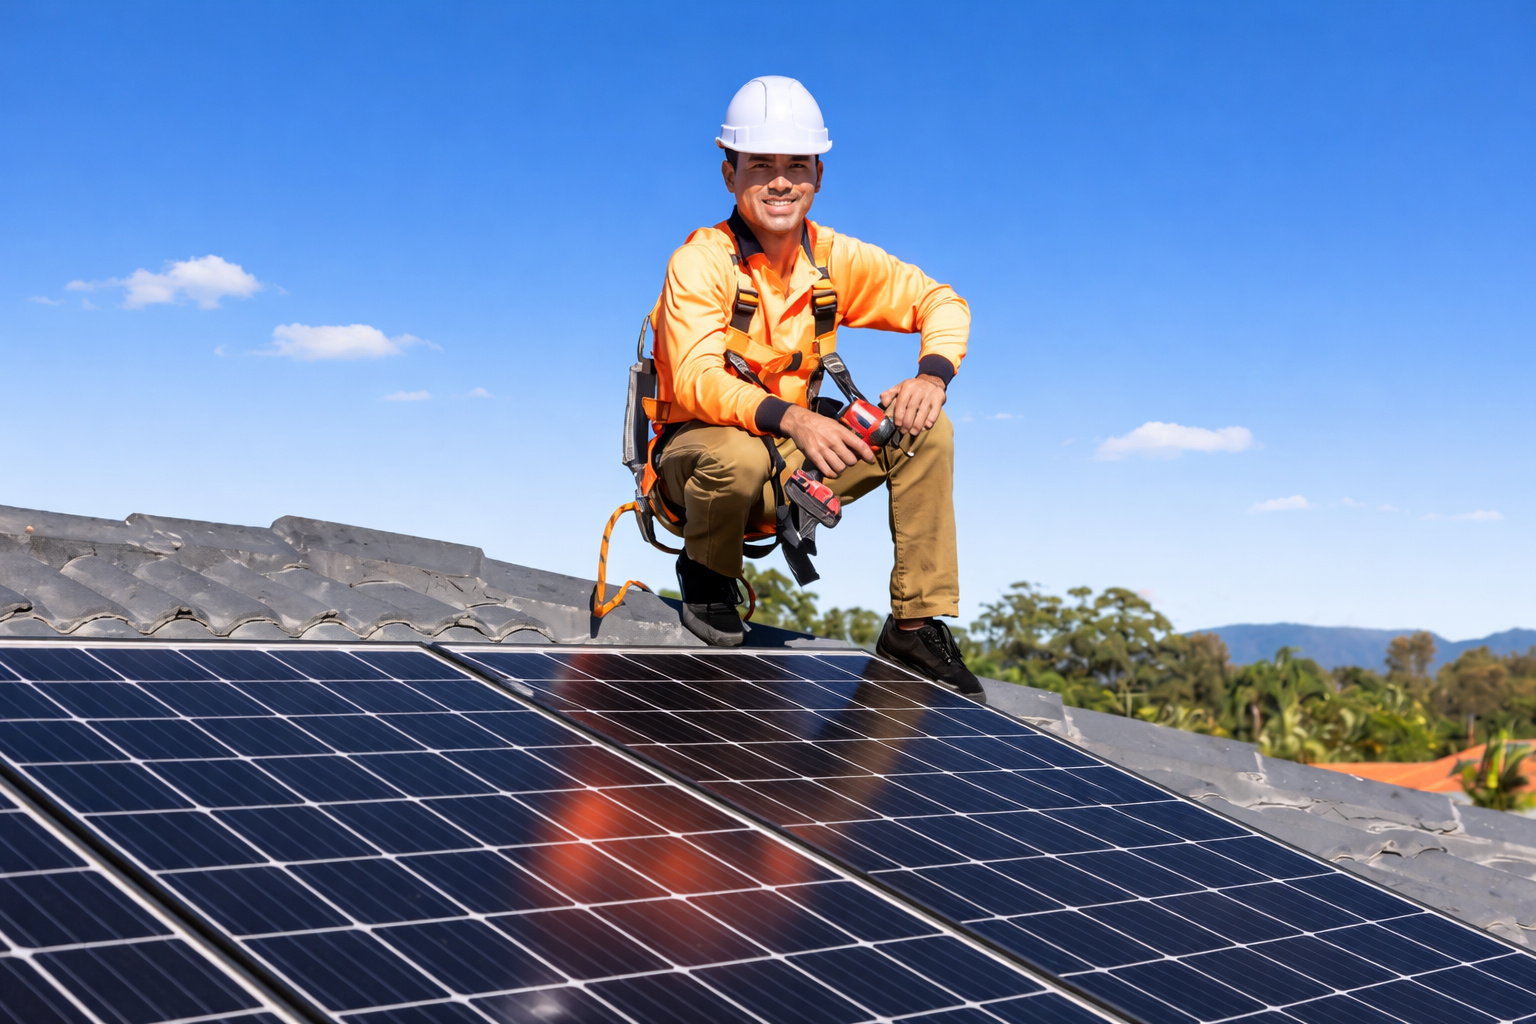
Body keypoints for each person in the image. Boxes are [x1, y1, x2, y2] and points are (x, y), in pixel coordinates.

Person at [645, 75, 983, 699]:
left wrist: (932, 375)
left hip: (789, 463)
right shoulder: (700, 263)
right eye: (761, 164)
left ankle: (913, 624)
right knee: (736, 453)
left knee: (925, 429)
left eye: (796, 164)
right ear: (729, 175)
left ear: (818, 177)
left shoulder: (833, 259)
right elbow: (694, 380)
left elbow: (941, 301)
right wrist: (795, 419)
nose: (780, 181)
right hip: (701, 465)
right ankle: (707, 573)